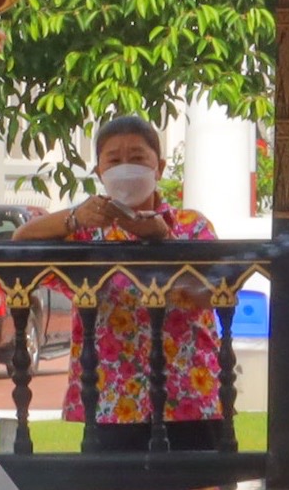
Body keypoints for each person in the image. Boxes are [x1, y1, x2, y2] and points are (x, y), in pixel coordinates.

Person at [15, 113, 232, 453]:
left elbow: (211, 295)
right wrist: (75, 217)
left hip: (190, 398)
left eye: (137, 158)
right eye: (114, 160)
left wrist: (164, 243)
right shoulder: (86, 232)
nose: (125, 167)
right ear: (100, 171)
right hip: (111, 402)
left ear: (158, 168)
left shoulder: (191, 227)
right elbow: (21, 239)